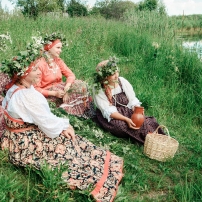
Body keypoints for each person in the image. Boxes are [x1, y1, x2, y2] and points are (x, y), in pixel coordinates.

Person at [0, 45, 123, 202]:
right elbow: (46, 121)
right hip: (23, 143)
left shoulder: (16, 89)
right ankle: (98, 177)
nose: (39, 72)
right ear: (24, 74)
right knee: (67, 144)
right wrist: (65, 125)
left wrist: (61, 125)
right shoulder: (25, 95)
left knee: (71, 140)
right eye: (36, 70)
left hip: (15, 136)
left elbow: (41, 118)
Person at [92, 56, 165, 145]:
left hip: (127, 111)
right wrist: (126, 119)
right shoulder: (99, 88)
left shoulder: (122, 82)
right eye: (113, 74)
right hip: (113, 117)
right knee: (121, 126)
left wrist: (136, 109)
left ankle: (154, 138)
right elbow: (108, 111)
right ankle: (143, 138)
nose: (116, 75)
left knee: (142, 121)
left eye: (117, 71)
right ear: (105, 77)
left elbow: (132, 100)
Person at [34, 32, 95, 119]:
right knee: (74, 91)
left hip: (61, 88)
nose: (60, 50)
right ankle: (64, 112)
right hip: (49, 93)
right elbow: (35, 89)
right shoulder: (40, 63)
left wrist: (67, 86)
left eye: (61, 48)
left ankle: (83, 111)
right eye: (58, 48)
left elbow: (71, 75)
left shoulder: (58, 61)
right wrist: (55, 93)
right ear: (49, 47)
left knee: (81, 84)